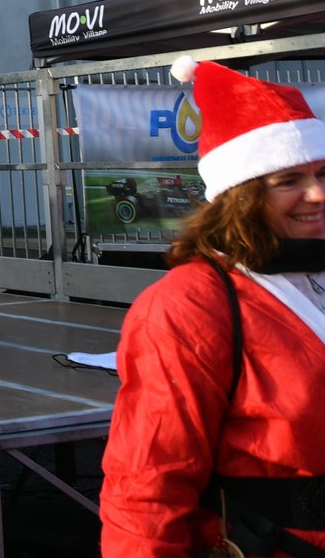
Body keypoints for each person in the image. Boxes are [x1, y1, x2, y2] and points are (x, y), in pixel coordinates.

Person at [100, 57, 325, 558]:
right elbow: (148, 486)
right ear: (240, 195)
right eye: (289, 180)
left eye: (324, 172)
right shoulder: (189, 306)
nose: (317, 194)